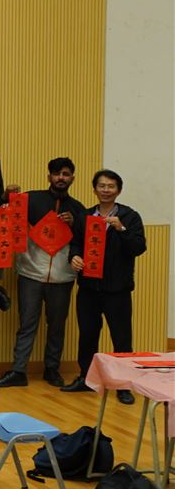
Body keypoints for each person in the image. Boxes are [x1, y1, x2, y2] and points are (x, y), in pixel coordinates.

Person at [0, 158, 85, 390]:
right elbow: (2, 213)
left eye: (66, 174)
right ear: (49, 176)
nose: (61, 178)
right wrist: (6, 196)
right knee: (27, 324)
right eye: (56, 173)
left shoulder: (79, 209)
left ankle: (52, 368)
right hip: (31, 273)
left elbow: (84, 241)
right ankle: (18, 370)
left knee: (57, 326)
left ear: (72, 178)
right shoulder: (31, 199)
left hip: (62, 277)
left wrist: (74, 224)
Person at [62, 169, 147, 404]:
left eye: (111, 186)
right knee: (88, 335)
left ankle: (123, 385)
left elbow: (138, 247)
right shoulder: (85, 216)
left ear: (118, 190)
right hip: (89, 287)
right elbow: (75, 243)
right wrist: (74, 257)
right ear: (95, 189)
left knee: (121, 338)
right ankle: (86, 378)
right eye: (101, 186)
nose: (106, 190)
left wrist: (121, 229)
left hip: (117, 289)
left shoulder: (130, 216)